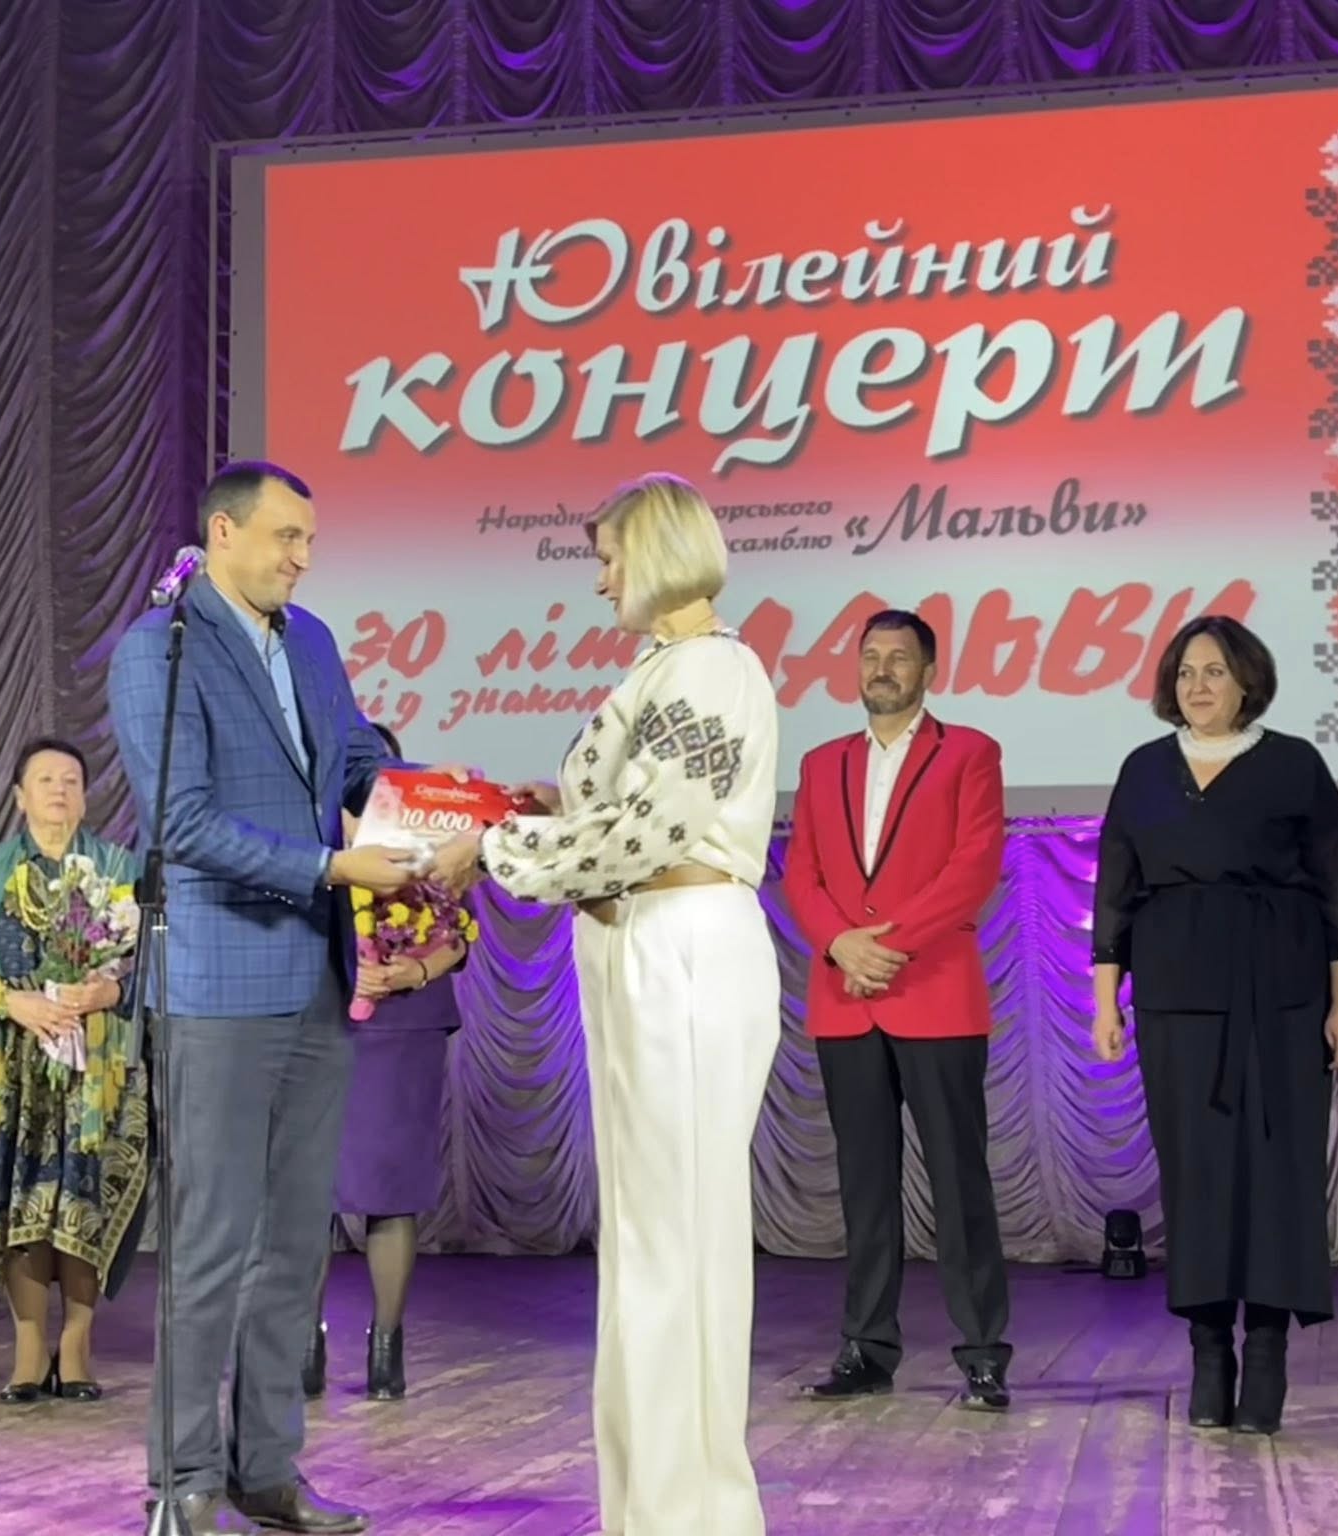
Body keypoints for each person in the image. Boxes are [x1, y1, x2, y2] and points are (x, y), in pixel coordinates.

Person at [431, 472, 782, 1536]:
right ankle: (649, 1508)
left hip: (684, 947)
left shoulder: (711, 668)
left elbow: (649, 832)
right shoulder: (669, 668)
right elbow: (631, 812)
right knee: (646, 1244)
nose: (600, 580)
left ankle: (692, 1515)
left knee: (675, 1243)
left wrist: (497, 846)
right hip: (647, 946)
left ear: (660, 553)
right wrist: (549, 808)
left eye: (609, 558)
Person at [108, 462, 416, 1536]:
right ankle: (184, 1481)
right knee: (210, 1246)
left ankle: (267, 1470)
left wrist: (448, 806)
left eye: (310, 541)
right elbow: (182, 823)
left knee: (292, 1244)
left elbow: (358, 762)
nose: (301, 558)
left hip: (315, 985)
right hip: (217, 985)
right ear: (222, 533)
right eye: (286, 537)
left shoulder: (313, 642)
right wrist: (330, 870)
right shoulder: (159, 650)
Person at [1090, 615, 1338, 1436]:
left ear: (1247, 680)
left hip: (1281, 997)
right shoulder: (1144, 769)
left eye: (1213, 671)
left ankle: (1269, 1350)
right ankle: (1209, 1351)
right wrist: (1106, 1000)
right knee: (1198, 1175)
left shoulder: (1295, 764)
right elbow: (1115, 891)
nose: (1198, 686)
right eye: (1185, 673)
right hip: (1176, 1000)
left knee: (1278, 1173)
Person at [782, 608, 1013, 1411]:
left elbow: (973, 866)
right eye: (870, 655)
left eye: (899, 657)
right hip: (844, 997)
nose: (882, 668)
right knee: (864, 1188)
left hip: (935, 993)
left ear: (929, 671)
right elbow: (801, 872)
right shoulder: (821, 763)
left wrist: (888, 946)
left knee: (959, 1182)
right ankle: (867, 1349)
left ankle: (982, 1353)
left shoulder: (971, 753)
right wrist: (841, 945)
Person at [0, 737, 150, 1403]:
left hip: (97, 1067)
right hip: (10, 1067)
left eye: (72, 780)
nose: (60, 790)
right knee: (18, 1199)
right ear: (20, 796)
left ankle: (78, 1343)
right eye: (46, 780)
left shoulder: (119, 869)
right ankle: (29, 1343)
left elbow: (157, 961)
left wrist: (111, 991)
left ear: (86, 796)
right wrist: (10, 1001)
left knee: (84, 1197)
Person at [302, 724, 467, 1405]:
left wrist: (410, 971)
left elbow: (457, 936)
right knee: (308, 1189)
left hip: (403, 1027)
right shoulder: (311, 853)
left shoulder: (424, 856)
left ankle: (386, 1345)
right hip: (322, 1022)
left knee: (392, 1189)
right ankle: (304, 1342)